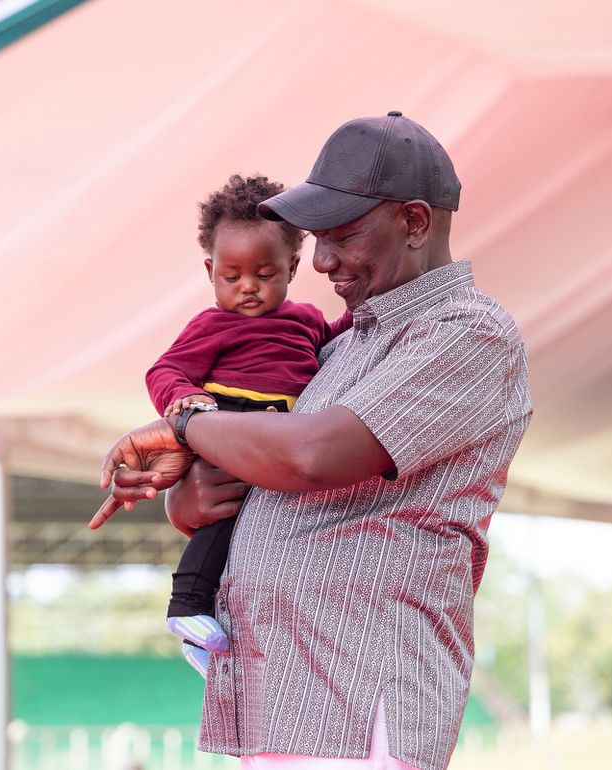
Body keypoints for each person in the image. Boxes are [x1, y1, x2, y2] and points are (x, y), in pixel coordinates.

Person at [90, 111, 532, 770]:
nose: (320, 261)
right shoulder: (340, 344)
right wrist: (188, 490)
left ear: (414, 222)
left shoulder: (467, 333)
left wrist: (183, 423)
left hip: (358, 699)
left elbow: (311, 456)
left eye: (341, 236)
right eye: (317, 239)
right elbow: (266, 468)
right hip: (279, 696)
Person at [135, 174, 352, 677]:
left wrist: (371, 311)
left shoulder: (306, 320)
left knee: (253, 532)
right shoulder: (213, 325)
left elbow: (341, 338)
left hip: (282, 434)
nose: (248, 287)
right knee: (224, 519)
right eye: (231, 276)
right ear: (210, 270)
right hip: (230, 422)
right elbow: (164, 370)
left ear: (292, 267)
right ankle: (186, 606)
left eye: (264, 273)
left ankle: (204, 634)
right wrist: (185, 401)